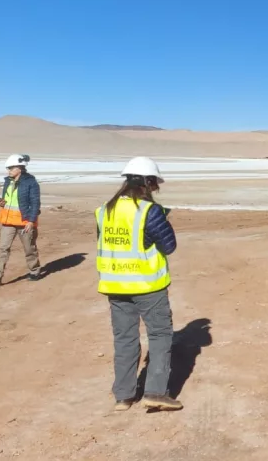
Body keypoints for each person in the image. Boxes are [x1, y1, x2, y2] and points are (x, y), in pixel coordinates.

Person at [96, 156, 183, 412]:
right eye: (154, 183)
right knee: (159, 335)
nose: (155, 188)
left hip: (115, 286)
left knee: (124, 339)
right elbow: (169, 246)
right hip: (147, 286)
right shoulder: (148, 211)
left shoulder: (104, 210)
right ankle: (155, 392)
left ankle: (123, 396)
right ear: (147, 182)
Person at [0, 154, 42, 287]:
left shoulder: (31, 182)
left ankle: (34, 271)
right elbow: (10, 200)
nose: (8, 171)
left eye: (11, 168)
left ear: (20, 168)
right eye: (8, 168)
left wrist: (31, 221)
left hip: (24, 222)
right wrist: (2, 203)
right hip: (8, 221)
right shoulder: (8, 181)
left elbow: (35, 203)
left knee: (29, 249)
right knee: (3, 248)